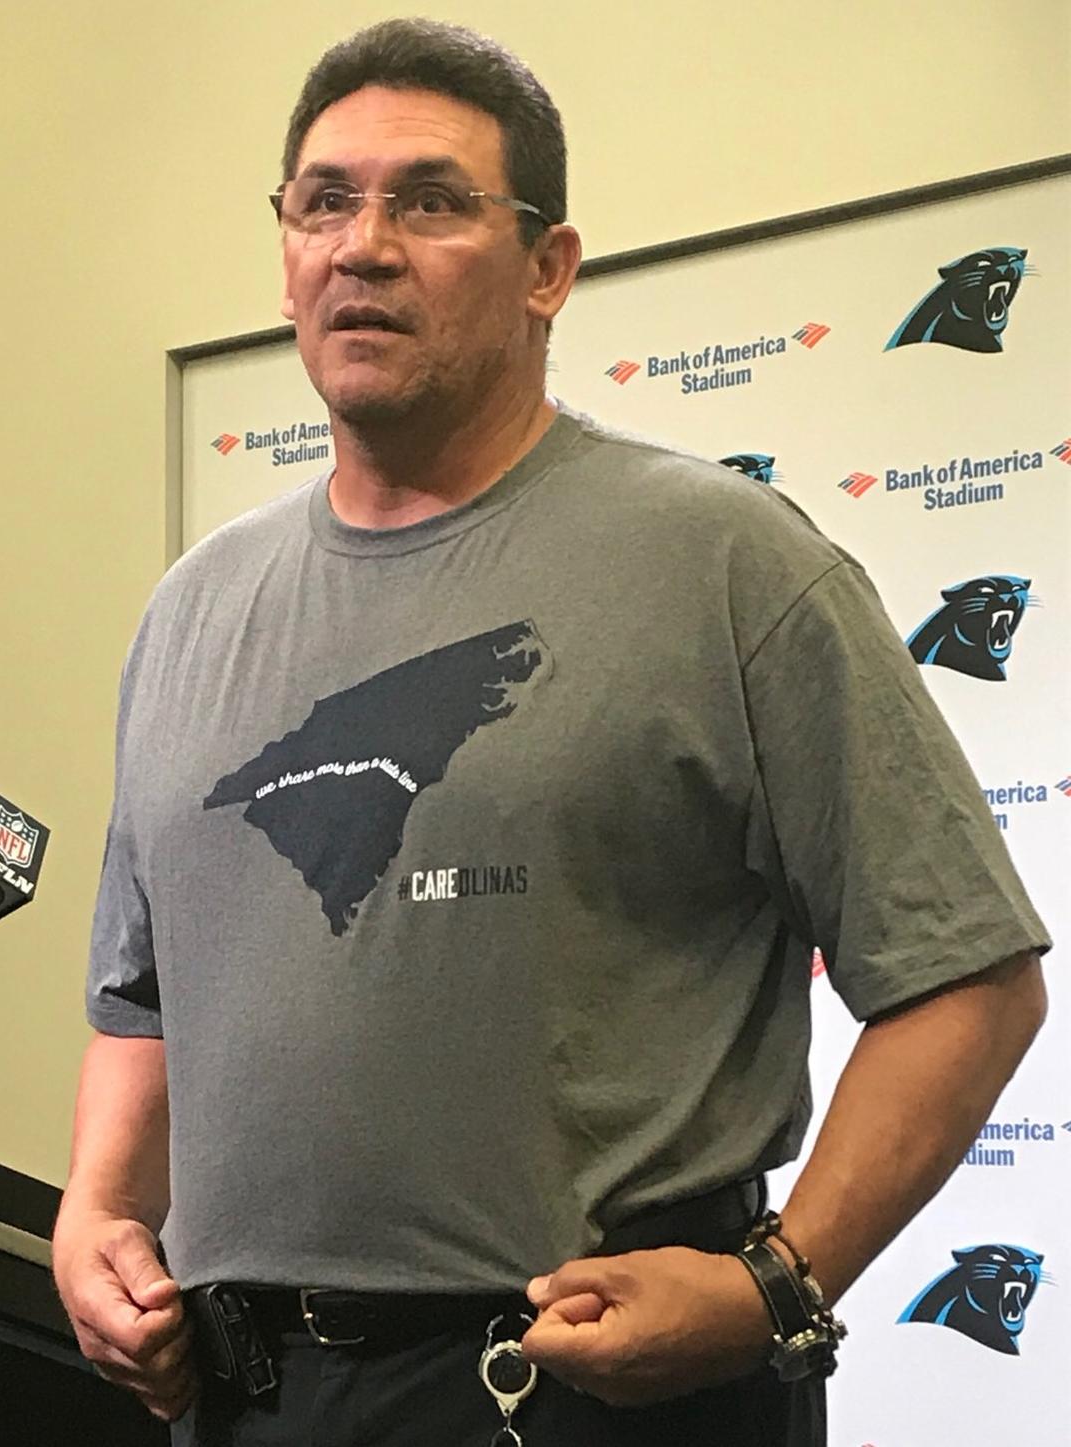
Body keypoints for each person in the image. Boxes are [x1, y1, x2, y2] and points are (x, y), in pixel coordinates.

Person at [52, 19, 1050, 1447]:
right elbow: (142, 1000)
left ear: (548, 269)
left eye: (431, 202)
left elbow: (972, 978)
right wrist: (96, 1209)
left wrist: (780, 1282)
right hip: (244, 1395)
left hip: (588, 1395)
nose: (363, 246)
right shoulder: (190, 613)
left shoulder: (728, 565)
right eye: (324, 202)